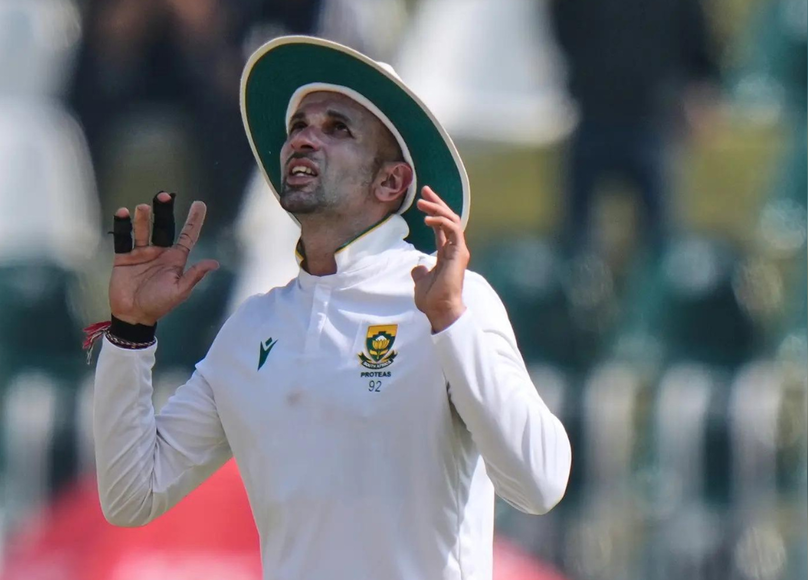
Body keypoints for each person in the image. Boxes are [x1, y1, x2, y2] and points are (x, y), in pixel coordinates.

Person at [90, 37, 571, 579]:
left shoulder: (453, 298)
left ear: (391, 182)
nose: (303, 138)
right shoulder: (251, 328)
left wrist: (450, 324)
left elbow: (540, 483)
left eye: (337, 128)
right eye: (298, 126)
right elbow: (132, 495)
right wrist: (131, 331)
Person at [549, 0, 721, 256]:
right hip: (595, 112)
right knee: (577, 240)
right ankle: (582, 274)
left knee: (661, 240)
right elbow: (563, 25)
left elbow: (696, 38)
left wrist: (701, 92)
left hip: (653, 117)